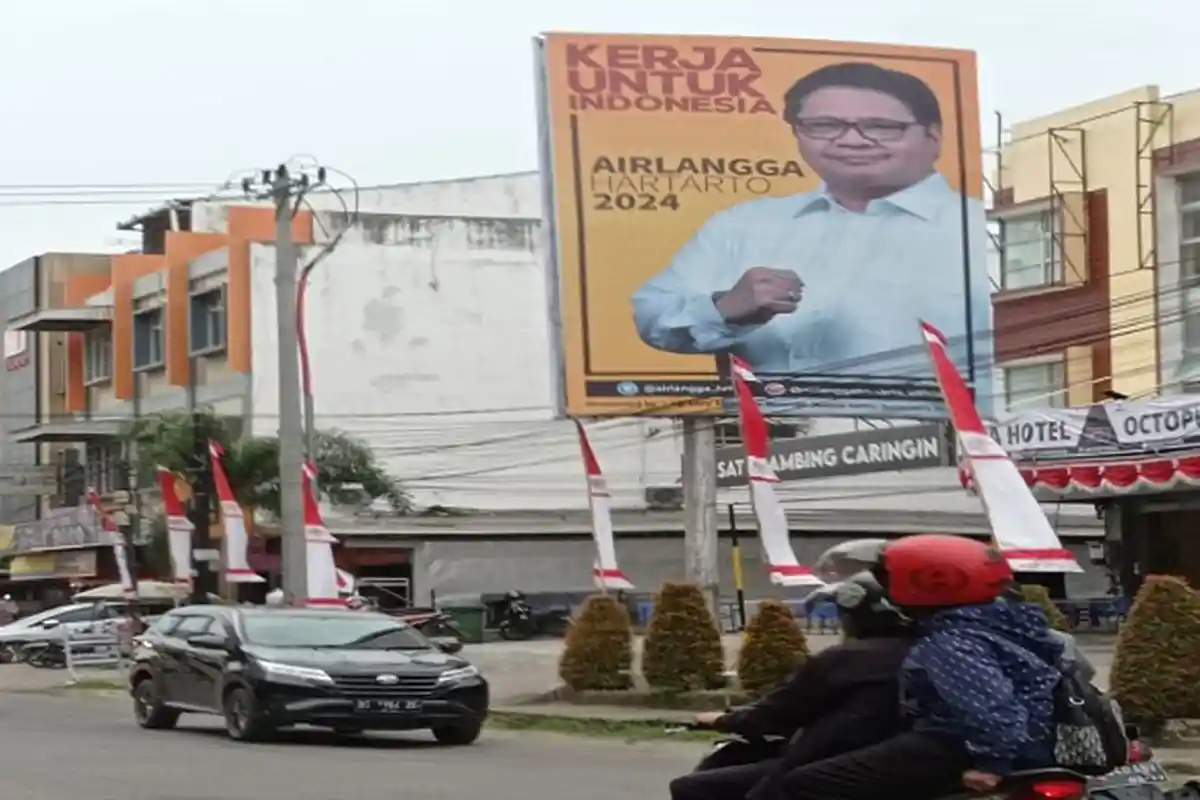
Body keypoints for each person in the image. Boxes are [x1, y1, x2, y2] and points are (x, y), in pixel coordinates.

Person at [630, 61, 989, 384]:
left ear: (934, 136)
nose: (850, 140)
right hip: (768, 443)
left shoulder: (975, 229)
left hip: (939, 443)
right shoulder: (743, 225)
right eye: (824, 126)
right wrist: (725, 309)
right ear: (797, 133)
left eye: (881, 127)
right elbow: (652, 314)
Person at [771, 534, 1062, 800]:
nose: (888, 590)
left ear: (931, 582)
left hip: (955, 745)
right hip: (1033, 743)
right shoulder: (1006, 625)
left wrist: (992, 765)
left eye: (891, 580)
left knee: (803, 784)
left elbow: (992, 710)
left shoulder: (952, 641)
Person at [669, 569, 917, 800]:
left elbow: (777, 712)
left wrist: (721, 720)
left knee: (689, 788)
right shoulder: (928, 653)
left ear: (855, 616)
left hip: (829, 763)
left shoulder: (843, 660)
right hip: (901, 764)